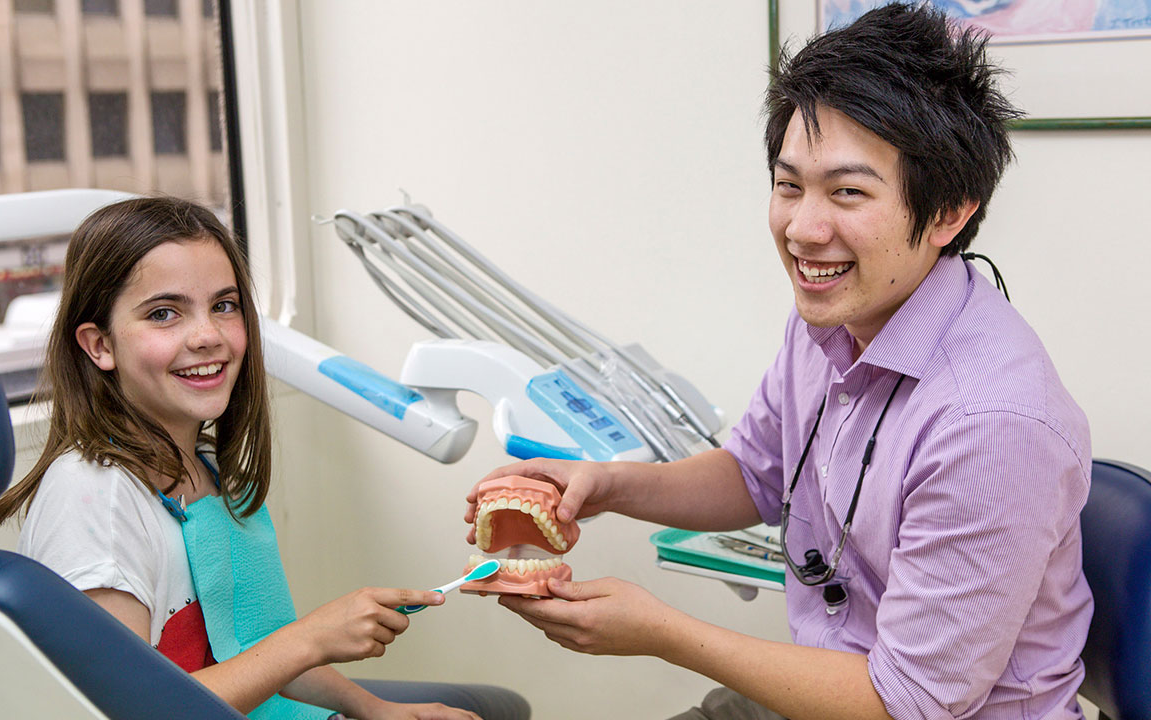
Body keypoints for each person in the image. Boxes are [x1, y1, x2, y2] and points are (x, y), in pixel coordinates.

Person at [464, 4, 1092, 719]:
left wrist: (661, 632)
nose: (802, 229)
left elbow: (908, 703)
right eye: (789, 185)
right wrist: (602, 486)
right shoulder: (833, 318)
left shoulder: (994, 422)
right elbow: (755, 473)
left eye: (848, 192)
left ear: (947, 213)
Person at [0, 196, 524, 720]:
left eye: (224, 305)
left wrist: (374, 708)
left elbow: (250, 648)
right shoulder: (95, 501)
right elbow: (126, 708)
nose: (207, 336)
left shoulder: (204, 471)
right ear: (99, 344)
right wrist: (309, 638)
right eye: (164, 313)